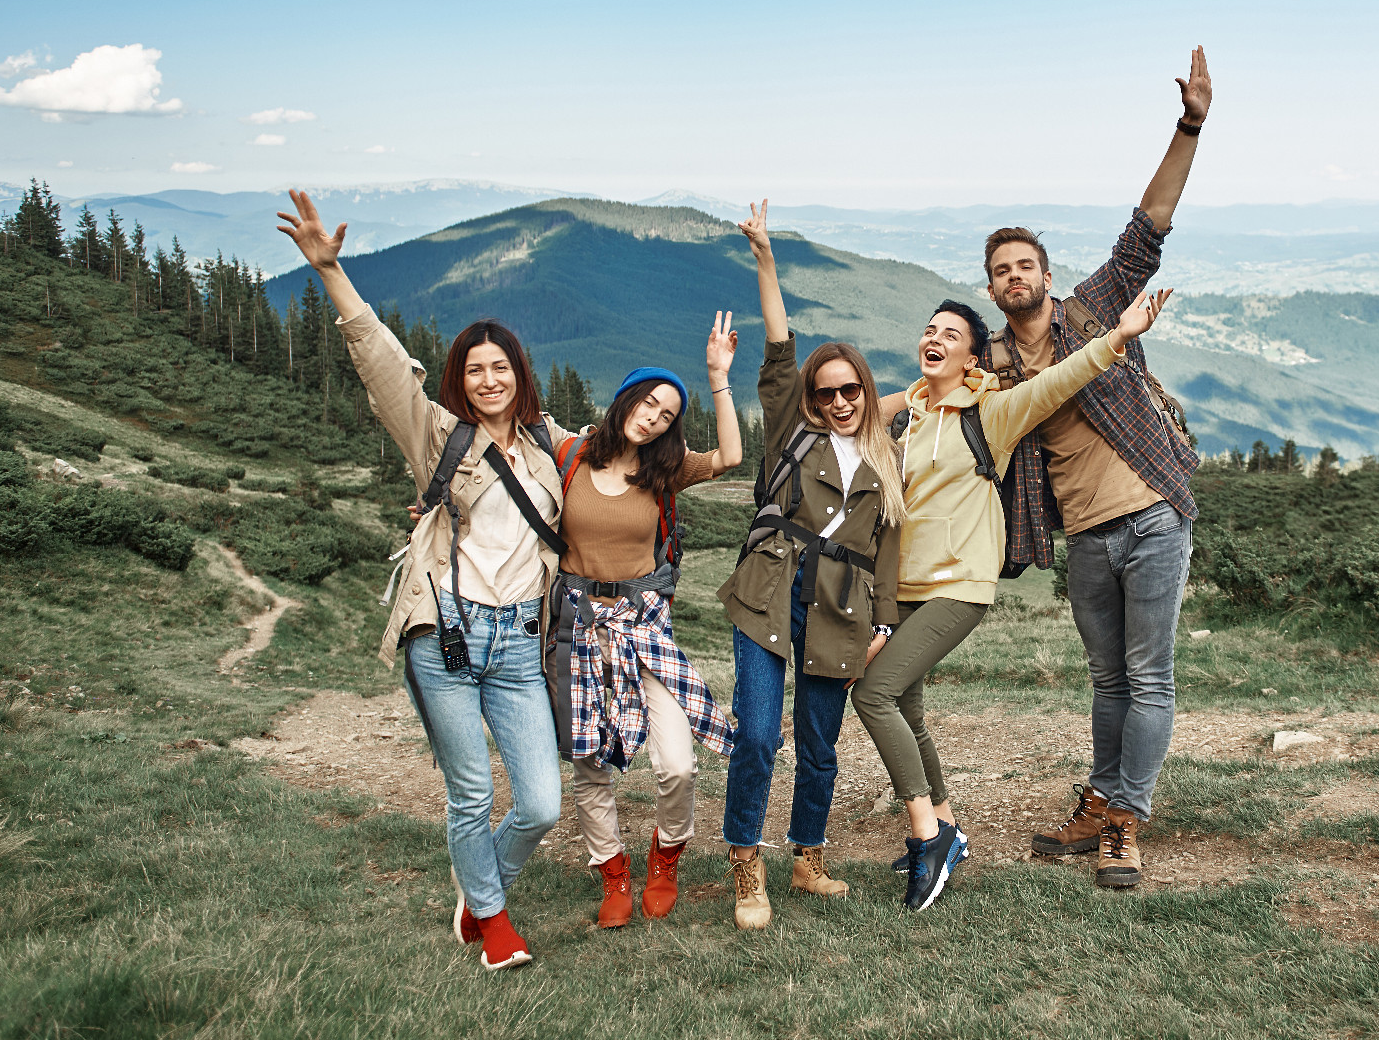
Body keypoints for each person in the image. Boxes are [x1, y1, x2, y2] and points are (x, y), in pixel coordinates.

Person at [277, 189, 562, 972]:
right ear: (460, 380)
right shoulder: (437, 432)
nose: (489, 378)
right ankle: (495, 926)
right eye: (475, 369)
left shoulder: (550, 446)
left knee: (541, 802)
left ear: (520, 373)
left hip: (517, 641)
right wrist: (333, 275)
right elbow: (380, 361)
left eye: (500, 366)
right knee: (470, 792)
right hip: (445, 631)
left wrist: (706, 425)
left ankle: (479, 887)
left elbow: (627, 460)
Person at [858, 284, 1171, 911]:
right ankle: (946, 826)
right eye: (930, 329)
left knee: (874, 694)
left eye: (952, 334)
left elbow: (1057, 381)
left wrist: (1118, 337)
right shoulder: (910, 420)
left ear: (973, 359)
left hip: (960, 583)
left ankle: (929, 836)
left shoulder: (990, 414)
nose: (935, 338)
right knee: (907, 708)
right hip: (908, 587)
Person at [984, 47, 1210, 889]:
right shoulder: (998, 365)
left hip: (1152, 512)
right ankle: (1104, 797)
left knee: (1148, 675)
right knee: (1108, 677)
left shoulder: (1094, 308)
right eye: (1000, 271)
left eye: (1024, 265)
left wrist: (1189, 124)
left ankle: (1125, 822)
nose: (1014, 278)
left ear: (1044, 272)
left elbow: (1149, 224)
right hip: (1084, 535)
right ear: (993, 288)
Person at [714, 200, 907, 931]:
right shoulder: (792, 428)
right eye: (825, 392)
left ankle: (808, 855)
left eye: (849, 389)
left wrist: (885, 624)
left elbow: (887, 547)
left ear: (865, 387)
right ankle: (745, 860)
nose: (837, 400)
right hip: (770, 585)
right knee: (760, 733)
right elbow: (778, 346)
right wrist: (765, 257)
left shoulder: (888, 456)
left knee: (820, 740)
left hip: (842, 605)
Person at [557, 331, 742, 931]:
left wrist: (719, 376)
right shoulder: (568, 456)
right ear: (624, 400)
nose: (654, 419)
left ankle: (667, 856)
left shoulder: (664, 471)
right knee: (589, 761)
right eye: (647, 404)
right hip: (579, 627)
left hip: (643, 628)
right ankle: (612, 870)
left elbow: (732, 458)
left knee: (677, 764)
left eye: (667, 415)